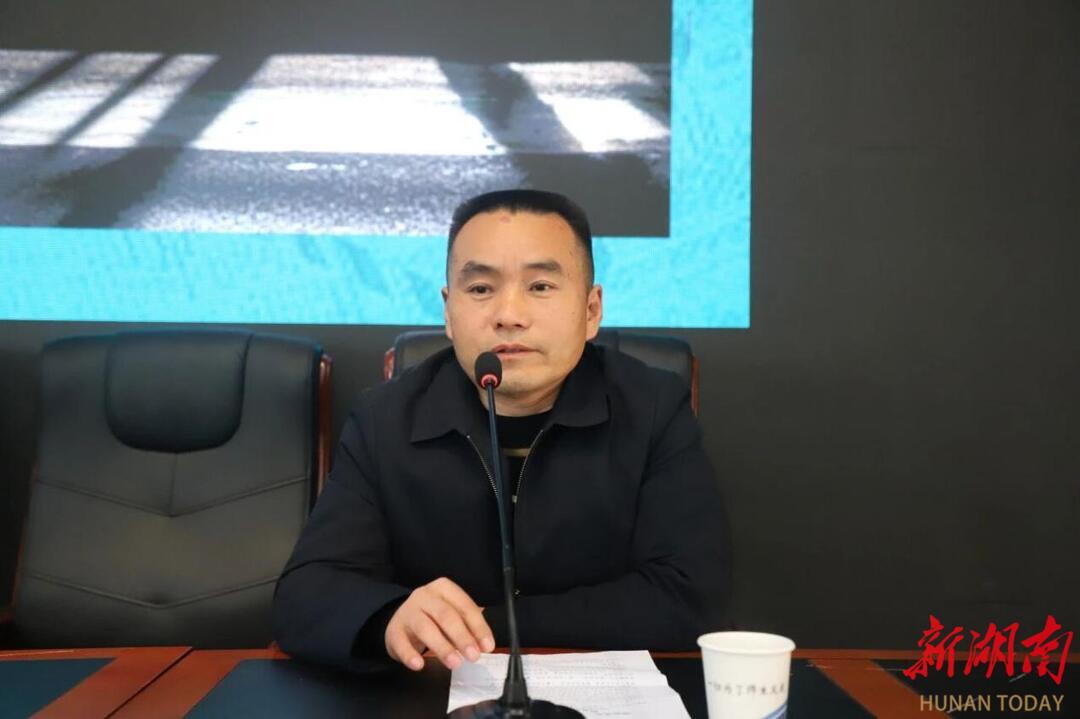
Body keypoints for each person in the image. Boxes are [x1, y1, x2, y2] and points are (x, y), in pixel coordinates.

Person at [273, 189, 730, 673]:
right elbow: (305, 594)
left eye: (540, 286)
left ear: (591, 310)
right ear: (448, 312)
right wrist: (391, 619)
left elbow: (692, 596)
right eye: (480, 289)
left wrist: (484, 624)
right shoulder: (384, 419)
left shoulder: (652, 408)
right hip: (431, 690)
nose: (508, 315)